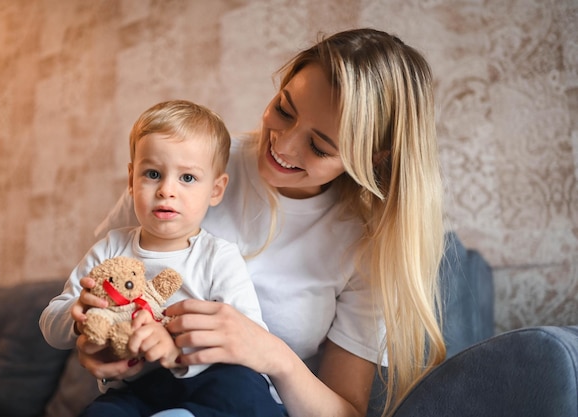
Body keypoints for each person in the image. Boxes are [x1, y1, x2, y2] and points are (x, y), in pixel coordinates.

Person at [78, 28, 446, 417]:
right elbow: (107, 277)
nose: (283, 146)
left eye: (319, 146)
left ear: (371, 159)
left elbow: (346, 412)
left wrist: (273, 356)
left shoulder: (365, 245)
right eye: (285, 110)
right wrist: (97, 341)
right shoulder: (188, 166)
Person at [39, 100, 284, 417]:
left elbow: (248, 336)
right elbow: (50, 324)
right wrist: (78, 317)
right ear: (131, 180)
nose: (167, 190)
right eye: (153, 174)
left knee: (245, 394)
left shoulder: (217, 256)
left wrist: (174, 350)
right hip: (135, 390)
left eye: (187, 178)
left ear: (216, 190)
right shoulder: (110, 248)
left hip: (209, 380)